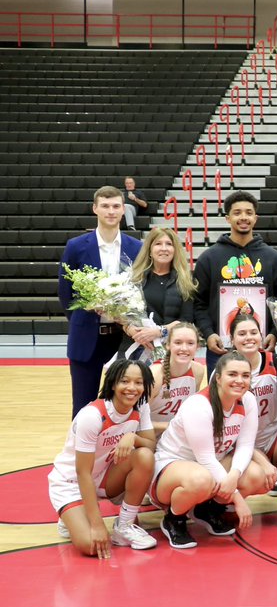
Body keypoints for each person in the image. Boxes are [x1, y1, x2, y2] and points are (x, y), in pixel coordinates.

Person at [151, 351, 269, 549]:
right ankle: (173, 519)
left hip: (210, 467)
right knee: (201, 479)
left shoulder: (247, 399)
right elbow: (205, 458)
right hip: (171, 471)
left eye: (245, 375)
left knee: (257, 475)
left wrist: (234, 475)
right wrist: (237, 498)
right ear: (218, 378)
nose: (239, 380)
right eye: (232, 374)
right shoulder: (199, 405)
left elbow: (246, 444)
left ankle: (207, 511)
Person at [49, 359, 158, 556]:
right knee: (92, 545)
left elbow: (150, 444)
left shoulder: (140, 406)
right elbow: (83, 473)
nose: (132, 388)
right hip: (71, 482)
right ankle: (70, 515)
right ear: (113, 383)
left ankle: (123, 527)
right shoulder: (92, 416)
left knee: (144, 456)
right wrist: (97, 524)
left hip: (104, 475)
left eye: (138, 382)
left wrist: (132, 437)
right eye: (125, 381)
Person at [58, 185, 144, 417]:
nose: (111, 211)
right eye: (105, 206)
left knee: (124, 405)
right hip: (86, 338)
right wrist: (84, 316)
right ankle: (82, 452)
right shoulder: (75, 247)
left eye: (116, 206)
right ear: (95, 209)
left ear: (122, 210)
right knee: (83, 408)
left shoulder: (136, 247)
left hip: (124, 339)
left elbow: (141, 290)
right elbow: (66, 294)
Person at [192, 191, 277, 375]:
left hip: (261, 348)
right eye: (237, 213)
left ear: (255, 218)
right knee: (223, 401)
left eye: (248, 212)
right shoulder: (208, 258)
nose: (243, 217)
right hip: (220, 349)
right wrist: (208, 333)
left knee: (265, 399)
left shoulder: (273, 258)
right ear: (228, 218)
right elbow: (198, 303)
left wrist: (274, 334)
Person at [119, 227, 197, 361]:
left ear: (175, 250)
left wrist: (159, 332)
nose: (164, 248)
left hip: (172, 352)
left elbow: (186, 318)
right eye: (158, 244)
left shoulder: (187, 280)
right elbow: (122, 315)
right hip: (135, 350)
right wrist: (131, 330)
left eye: (169, 244)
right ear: (149, 249)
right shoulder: (133, 279)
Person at [226, 312, 277, 494]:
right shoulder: (223, 372)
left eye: (253, 332)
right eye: (242, 334)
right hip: (238, 442)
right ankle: (223, 504)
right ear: (232, 339)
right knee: (255, 477)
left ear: (261, 336)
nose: (249, 338)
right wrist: (262, 461)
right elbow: (225, 430)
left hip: (271, 437)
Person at [148, 323, 208, 437]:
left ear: (197, 347)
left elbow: (190, 410)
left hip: (177, 437)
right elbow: (137, 420)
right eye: (178, 342)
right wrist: (170, 426)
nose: (184, 348)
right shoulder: (155, 375)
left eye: (190, 343)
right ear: (168, 345)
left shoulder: (198, 371)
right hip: (149, 436)